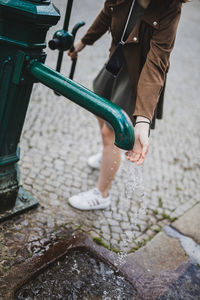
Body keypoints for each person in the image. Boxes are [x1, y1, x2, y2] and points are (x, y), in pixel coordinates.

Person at [67, 0, 188, 211]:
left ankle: (101, 194)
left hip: (140, 78)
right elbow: (107, 14)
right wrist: (83, 42)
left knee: (111, 132)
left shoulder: (170, 7)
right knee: (99, 106)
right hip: (116, 62)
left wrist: (142, 121)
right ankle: (107, 151)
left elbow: (157, 62)